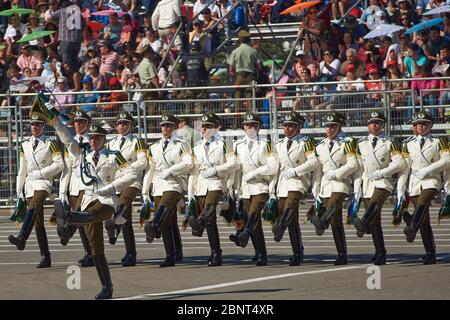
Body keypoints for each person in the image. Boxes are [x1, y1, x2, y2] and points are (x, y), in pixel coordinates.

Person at [50, 106, 138, 299]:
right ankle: (107, 287)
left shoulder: (114, 155)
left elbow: (132, 173)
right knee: (96, 250)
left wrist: (113, 186)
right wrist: (55, 121)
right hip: (87, 201)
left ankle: (69, 220)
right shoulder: (83, 154)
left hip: (106, 202)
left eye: (97, 137)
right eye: (91, 138)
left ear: (103, 139)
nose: (93, 140)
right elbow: (67, 139)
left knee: (91, 215)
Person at [8, 112, 64, 269]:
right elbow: (22, 170)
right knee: (38, 223)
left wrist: (41, 173)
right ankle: (45, 257)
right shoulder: (24, 144)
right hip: (29, 186)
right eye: (33, 124)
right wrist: (19, 192)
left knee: (33, 206)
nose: (35, 127)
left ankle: (22, 237)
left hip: (44, 183)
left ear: (43, 126)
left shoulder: (50, 143)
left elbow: (59, 164)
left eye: (38, 124)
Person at [352, 111, 407, 265]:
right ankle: (380, 251)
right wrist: (357, 189)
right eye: (371, 122)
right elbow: (358, 169)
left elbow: (400, 163)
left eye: (377, 122)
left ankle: (363, 222)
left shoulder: (390, 141)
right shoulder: (361, 143)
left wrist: (382, 173)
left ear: (383, 125)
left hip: (383, 182)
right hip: (367, 183)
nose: (374, 125)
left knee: (375, 205)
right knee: (375, 221)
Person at [142, 113, 194, 267]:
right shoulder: (154, 147)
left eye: (169, 125)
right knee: (169, 222)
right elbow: (149, 171)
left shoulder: (181, 144)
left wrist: (171, 170)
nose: (166, 128)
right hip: (158, 185)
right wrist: (145, 191)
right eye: (163, 125)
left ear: (174, 127)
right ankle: (173, 254)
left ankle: (153, 226)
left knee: (164, 208)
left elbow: (188, 163)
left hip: (174, 184)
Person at [399, 111, 450, 264]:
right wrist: (401, 189)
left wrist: (429, 170)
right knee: (424, 220)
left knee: (423, 202)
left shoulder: (438, 141)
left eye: (424, 123)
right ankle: (430, 252)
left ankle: (412, 225)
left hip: (431, 180)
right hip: (415, 182)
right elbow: (405, 168)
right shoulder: (407, 143)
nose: (420, 126)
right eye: (417, 124)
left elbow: (447, 160)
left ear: (430, 125)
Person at [229, 111, 278, 266]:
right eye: (247, 125)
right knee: (255, 221)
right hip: (245, 188)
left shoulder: (266, 144)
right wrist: (234, 188)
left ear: (259, 127)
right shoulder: (237, 145)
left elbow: (273, 166)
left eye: (253, 125)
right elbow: (237, 169)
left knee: (254, 212)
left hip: (261, 185)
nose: (250, 128)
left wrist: (255, 172)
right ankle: (260, 253)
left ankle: (244, 233)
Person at [188, 112, 236, 266]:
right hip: (201, 184)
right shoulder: (197, 146)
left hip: (217, 181)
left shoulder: (224, 143)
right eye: (202, 126)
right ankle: (216, 253)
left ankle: (199, 221)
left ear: (215, 128)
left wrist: (216, 170)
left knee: (210, 204)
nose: (203, 129)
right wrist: (190, 192)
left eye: (208, 126)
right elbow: (194, 171)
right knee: (211, 221)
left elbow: (234, 164)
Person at [311, 111, 359, 265]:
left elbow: (353, 164)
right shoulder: (320, 145)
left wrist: (337, 173)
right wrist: (316, 190)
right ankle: (341, 253)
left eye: (333, 126)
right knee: (336, 221)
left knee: (334, 204)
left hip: (340, 183)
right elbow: (318, 171)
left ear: (339, 127)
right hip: (325, 184)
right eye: (328, 127)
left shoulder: (348, 142)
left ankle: (322, 222)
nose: (330, 129)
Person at [272, 111, 318, 266]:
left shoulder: (306, 142)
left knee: (291, 205)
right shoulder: (278, 145)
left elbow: (313, 162)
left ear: (299, 126)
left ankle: (280, 227)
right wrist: (273, 189)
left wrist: (296, 170)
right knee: (292, 220)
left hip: (298, 181)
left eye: (291, 125)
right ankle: (297, 252)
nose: (287, 128)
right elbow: (276, 168)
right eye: (285, 125)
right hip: (283, 183)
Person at [104, 112, 148, 267]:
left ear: (131, 125)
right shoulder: (111, 143)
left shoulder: (138, 141)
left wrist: (127, 168)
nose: (122, 126)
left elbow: (143, 161)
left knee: (124, 202)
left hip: (132, 180)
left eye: (125, 123)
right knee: (126, 220)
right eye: (119, 123)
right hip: (117, 181)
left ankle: (114, 226)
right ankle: (131, 254)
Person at [57, 110, 95, 268]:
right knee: (82, 224)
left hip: (87, 185)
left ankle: (66, 232)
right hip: (73, 186)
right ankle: (89, 253)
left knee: (80, 217)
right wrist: (62, 191)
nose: (78, 125)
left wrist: (57, 124)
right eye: (76, 122)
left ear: (87, 124)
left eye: (81, 122)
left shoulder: (93, 140)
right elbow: (67, 169)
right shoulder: (71, 142)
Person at [227, 30, 261, 114]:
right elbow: (259, 66)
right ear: (248, 39)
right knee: (250, 98)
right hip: (251, 77)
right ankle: (251, 116)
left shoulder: (235, 51)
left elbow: (231, 69)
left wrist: (236, 74)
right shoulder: (253, 51)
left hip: (239, 76)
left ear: (239, 39)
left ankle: (237, 117)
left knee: (238, 97)